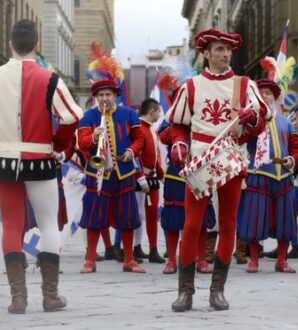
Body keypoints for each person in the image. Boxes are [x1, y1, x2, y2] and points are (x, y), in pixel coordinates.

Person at [166, 28, 270, 312]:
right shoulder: (191, 86)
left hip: (231, 157)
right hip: (200, 159)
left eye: (228, 49)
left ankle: (217, 290)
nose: (225, 54)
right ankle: (185, 291)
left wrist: (252, 118)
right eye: (219, 49)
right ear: (207, 53)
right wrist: (179, 145)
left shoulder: (244, 84)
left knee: (227, 225)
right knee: (191, 225)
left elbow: (261, 122)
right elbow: (177, 124)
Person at [0, 20, 82, 313]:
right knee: (48, 222)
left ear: (10, 45)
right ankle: (50, 296)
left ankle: (18, 298)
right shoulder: (50, 77)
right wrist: (58, 145)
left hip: (2, 160)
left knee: (11, 224)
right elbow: (71, 117)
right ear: (36, 45)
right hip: (40, 158)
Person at [77, 78, 145, 274]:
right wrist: (93, 137)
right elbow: (82, 143)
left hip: (123, 172)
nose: (104, 98)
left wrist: (131, 152)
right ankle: (90, 260)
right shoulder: (88, 116)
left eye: (108, 94)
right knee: (94, 217)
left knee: (127, 217)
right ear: (96, 98)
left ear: (115, 95)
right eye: (101, 95)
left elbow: (139, 139)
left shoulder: (129, 114)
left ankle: (129, 260)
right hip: (97, 173)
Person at [238, 79, 298, 273]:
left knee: (286, 220)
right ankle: (254, 260)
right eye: (261, 93)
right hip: (258, 174)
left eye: (268, 93)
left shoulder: (285, 121)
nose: (265, 96)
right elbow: (241, 139)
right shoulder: (251, 119)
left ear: (274, 97)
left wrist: (292, 159)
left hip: (283, 177)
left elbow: (295, 147)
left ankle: (281, 260)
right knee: (255, 219)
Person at [159, 120, 216, 275]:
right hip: (176, 172)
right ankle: (171, 259)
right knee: (173, 218)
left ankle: (201, 259)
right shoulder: (172, 115)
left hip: (200, 171)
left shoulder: (205, 111)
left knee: (202, 218)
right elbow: (163, 137)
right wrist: (178, 125)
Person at [133, 98, 166, 263]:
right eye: (158, 111)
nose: (159, 114)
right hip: (140, 179)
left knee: (152, 216)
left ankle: (153, 249)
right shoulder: (138, 129)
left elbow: (155, 159)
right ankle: (135, 247)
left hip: (152, 178)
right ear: (152, 110)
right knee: (137, 214)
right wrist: (140, 177)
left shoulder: (152, 131)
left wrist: (162, 176)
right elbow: (135, 156)